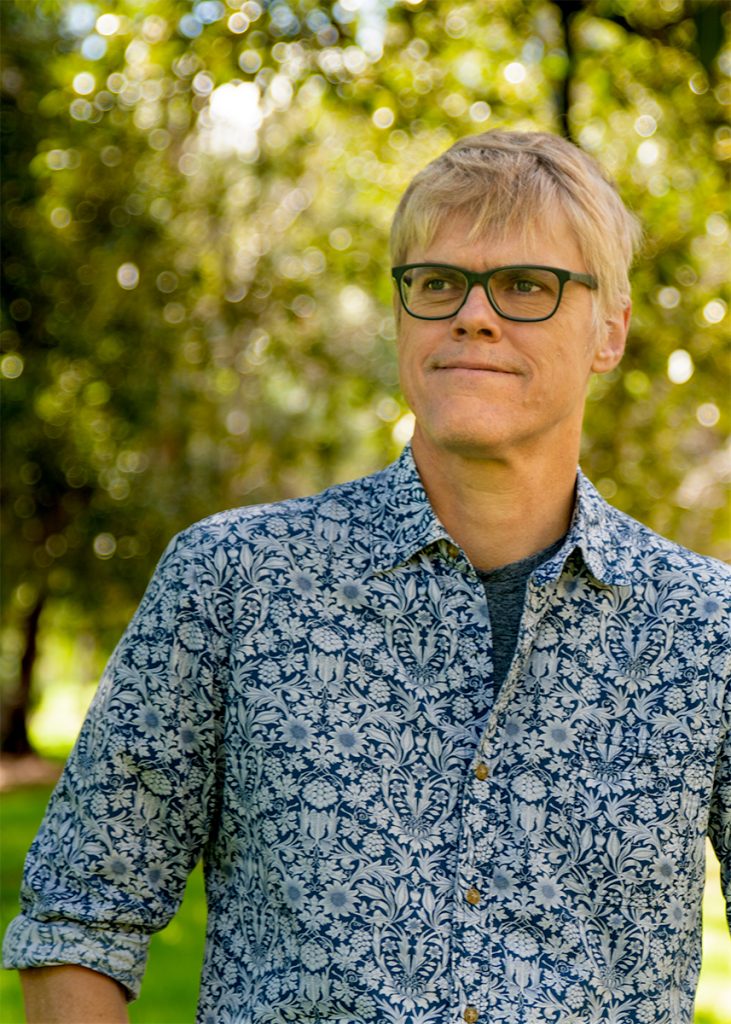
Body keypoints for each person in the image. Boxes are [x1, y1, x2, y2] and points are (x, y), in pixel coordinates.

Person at [4, 130, 729, 1024]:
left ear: (608, 331)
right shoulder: (234, 585)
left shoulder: (707, 629)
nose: (473, 314)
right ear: (402, 316)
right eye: (436, 283)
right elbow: (81, 920)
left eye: (526, 287)